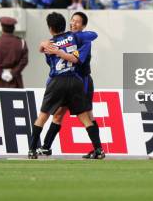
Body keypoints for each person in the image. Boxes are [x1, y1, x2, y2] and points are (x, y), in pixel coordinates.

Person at [28, 12, 103, 159]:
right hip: (73, 81)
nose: (74, 23)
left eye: (78, 22)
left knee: (87, 115)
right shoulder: (73, 37)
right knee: (59, 115)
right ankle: (46, 147)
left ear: (83, 25)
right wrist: (43, 44)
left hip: (82, 80)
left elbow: (92, 37)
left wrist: (53, 49)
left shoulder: (82, 39)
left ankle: (98, 149)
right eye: (72, 20)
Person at [0, 17, 29, 88]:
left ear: (2, 28)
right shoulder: (21, 43)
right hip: (15, 81)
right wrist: (13, 73)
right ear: (13, 29)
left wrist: (1, 73)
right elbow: (24, 61)